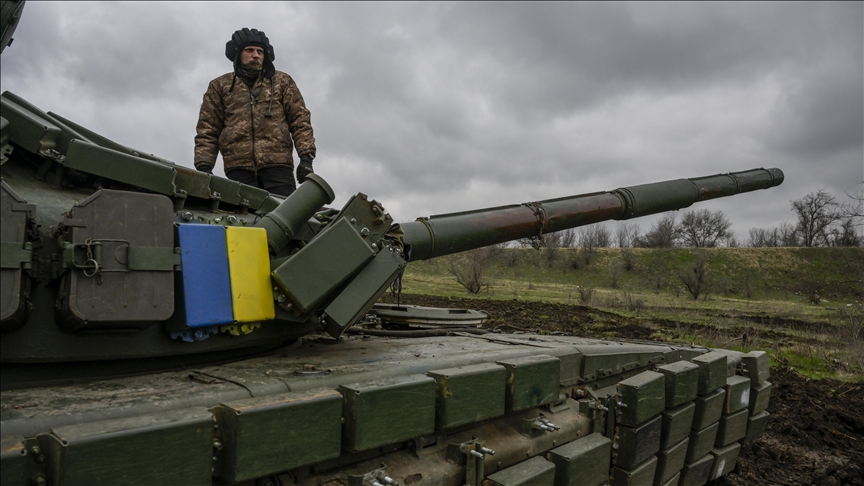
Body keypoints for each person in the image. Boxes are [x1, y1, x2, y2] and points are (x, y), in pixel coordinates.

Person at [194, 28, 316, 197]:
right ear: (238, 54)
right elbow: (208, 128)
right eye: (249, 50)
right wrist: (204, 166)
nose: (256, 55)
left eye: (260, 51)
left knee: (284, 217)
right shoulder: (220, 86)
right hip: (238, 168)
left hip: (278, 166)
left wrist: (306, 157)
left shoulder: (282, 82)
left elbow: (300, 120)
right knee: (245, 219)